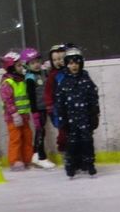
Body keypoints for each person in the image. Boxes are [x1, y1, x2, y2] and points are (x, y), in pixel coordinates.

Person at [56, 46, 99, 178]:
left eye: (76, 62)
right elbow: (60, 102)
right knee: (72, 142)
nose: (73, 66)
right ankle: (71, 165)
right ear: (67, 64)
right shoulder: (64, 82)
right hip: (71, 119)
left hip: (85, 118)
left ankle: (89, 163)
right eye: (70, 63)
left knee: (87, 141)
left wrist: (94, 114)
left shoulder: (86, 79)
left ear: (81, 63)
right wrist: (62, 119)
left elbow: (93, 97)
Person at [22, 47, 56, 169]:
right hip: (39, 109)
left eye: (37, 61)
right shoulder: (30, 78)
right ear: (27, 65)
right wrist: (34, 112)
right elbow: (31, 96)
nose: (36, 65)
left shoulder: (42, 72)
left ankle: (36, 154)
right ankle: (41, 157)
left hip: (45, 106)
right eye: (32, 63)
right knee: (40, 131)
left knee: (41, 131)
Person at [0, 51, 33, 170]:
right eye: (18, 65)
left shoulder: (21, 79)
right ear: (11, 68)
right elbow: (7, 100)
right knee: (16, 139)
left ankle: (27, 159)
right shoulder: (8, 82)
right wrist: (14, 114)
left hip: (24, 116)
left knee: (27, 137)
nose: (21, 67)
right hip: (13, 118)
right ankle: (15, 160)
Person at [43, 43, 69, 159]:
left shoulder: (70, 72)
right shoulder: (52, 76)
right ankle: (63, 150)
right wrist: (50, 106)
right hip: (59, 109)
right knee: (62, 131)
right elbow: (48, 92)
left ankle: (75, 152)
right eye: (55, 60)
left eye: (60, 59)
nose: (58, 62)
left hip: (71, 107)